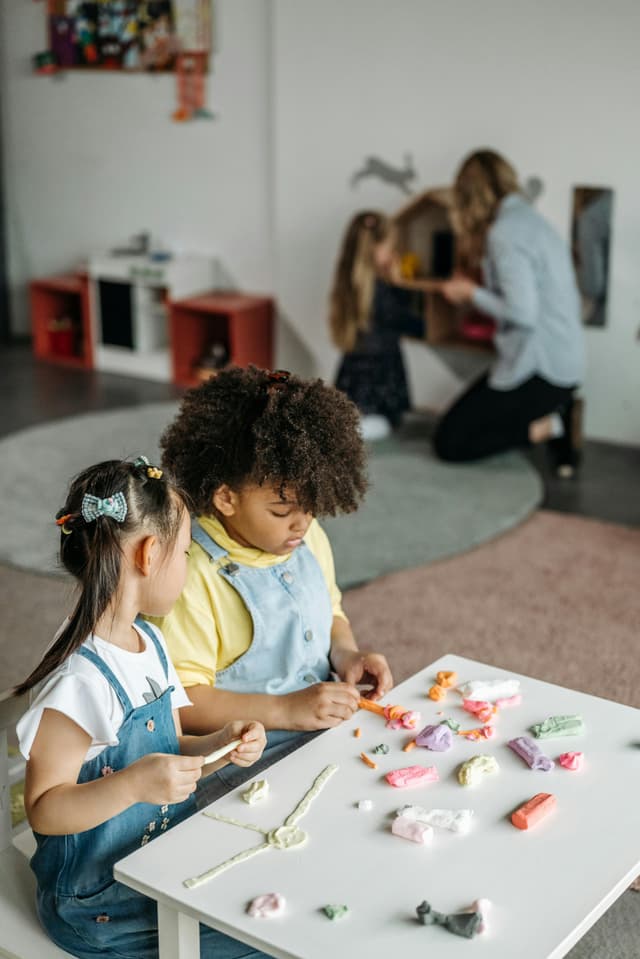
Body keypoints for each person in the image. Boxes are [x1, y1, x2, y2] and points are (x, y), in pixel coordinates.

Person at [14, 457, 268, 959]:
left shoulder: (149, 640)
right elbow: (44, 809)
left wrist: (220, 742)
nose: (188, 568)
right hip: (97, 901)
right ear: (150, 555)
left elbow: (170, 745)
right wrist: (132, 784)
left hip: (159, 859)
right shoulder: (80, 682)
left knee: (263, 896)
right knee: (254, 940)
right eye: (187, 554)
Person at [153, 365, 393, 803]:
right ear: (226, 497)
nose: (301, 523)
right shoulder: (192, 576)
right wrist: (287, 710)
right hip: (241, 769)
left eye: (312, 506)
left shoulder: (305, 536)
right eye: (282, 511)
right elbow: (183, 703)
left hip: (321, 734)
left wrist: (347, 653)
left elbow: (331, 613)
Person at [436, 149, 586, 476]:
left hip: (542, 369)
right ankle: (555, 414)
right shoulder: (531, 221)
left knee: (451, 442)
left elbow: (523, 313)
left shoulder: (505, 231)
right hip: (563, 361)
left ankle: (551, 425)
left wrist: (470, 293)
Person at [329, 210, 426, 440]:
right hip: (380, 378)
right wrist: (400, 282)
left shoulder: (353, 283)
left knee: (353, 418)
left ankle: (344, 424)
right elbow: (411, 324)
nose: (393, 252)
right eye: (389, 247)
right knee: (380, 424)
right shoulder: (381, 292)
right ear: (374, 249)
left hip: (355, 378)